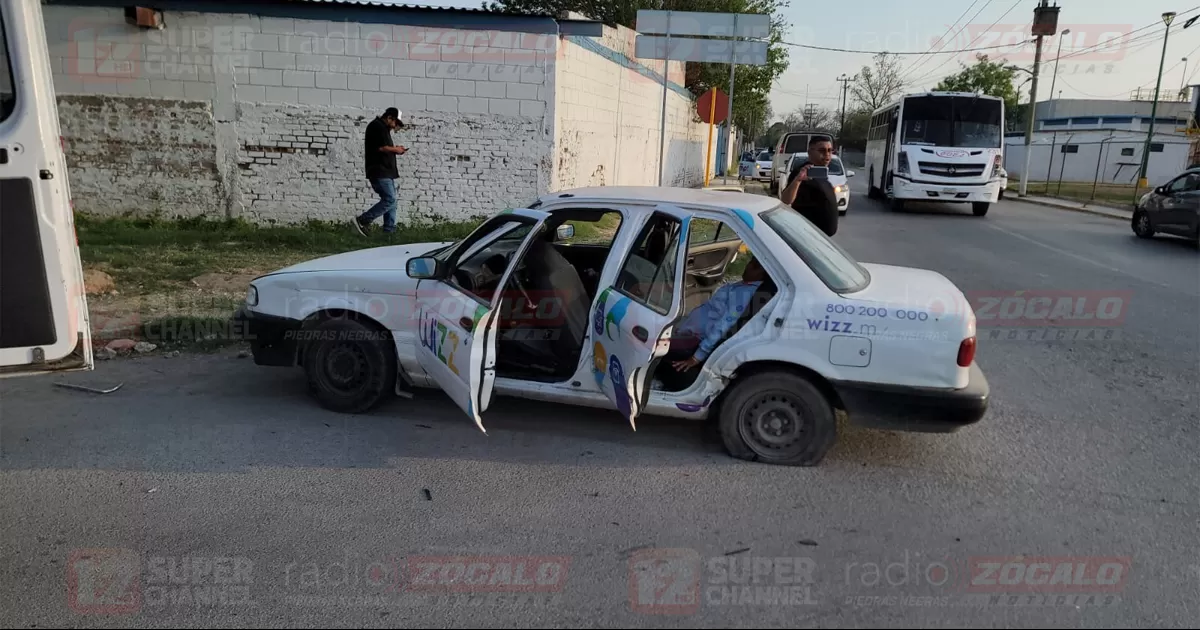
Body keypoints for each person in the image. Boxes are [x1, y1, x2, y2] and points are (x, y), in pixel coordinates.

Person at [657, 257, 768, 391]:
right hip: (688, 332)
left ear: (764, 274)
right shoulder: (743, 285)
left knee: (650, 341)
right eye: (750, 262)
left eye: (755, 266)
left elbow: (724, 325)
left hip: (696, 339)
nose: (748, 266)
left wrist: (697, 357)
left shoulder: (744, 294)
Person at [354, 107, 407, 235]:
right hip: (380, 171)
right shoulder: (377, 126)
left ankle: (389, 232)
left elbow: (383, 147)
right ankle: (363, 220)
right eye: (395, 123)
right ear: (389, 118)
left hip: (386, 171)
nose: (395, 126)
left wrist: (395, 148)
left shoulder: (382, 128)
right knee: (390, 199)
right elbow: (381, 148)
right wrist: (396, 150)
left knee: (392, 201)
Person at [780, 137, 839, 236]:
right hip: (807, 234)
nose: (827, 154)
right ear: (810, 152)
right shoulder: (803, 172)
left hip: (820, 236)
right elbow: (786, 200)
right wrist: (798, 180)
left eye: (830, 150)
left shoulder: (821, 172)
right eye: (822, 150)